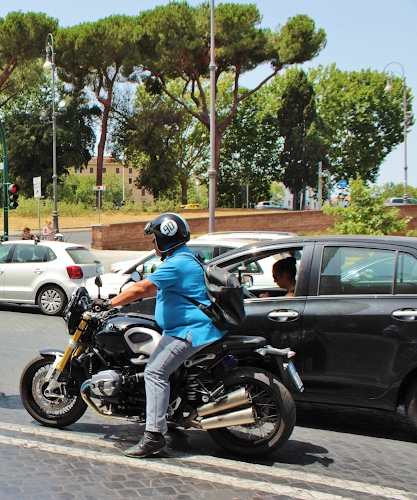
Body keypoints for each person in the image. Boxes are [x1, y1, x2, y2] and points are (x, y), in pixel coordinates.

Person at [91, 213, 227, 459]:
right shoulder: (185, 258)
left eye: (154, 238)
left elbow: (142, 288)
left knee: (155, 372)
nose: (152, 243)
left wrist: (109, 303)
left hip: (188, 331)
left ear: (165, 239)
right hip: (188, 328)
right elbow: (158, 290)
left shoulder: (177, 263)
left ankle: (154, 435)